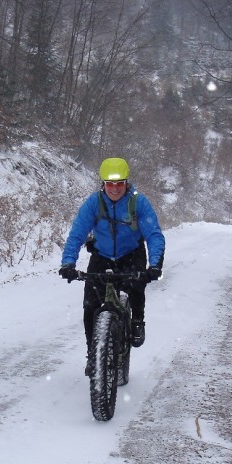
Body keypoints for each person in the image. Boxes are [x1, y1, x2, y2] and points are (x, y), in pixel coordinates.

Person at [59, 157, 165, 373]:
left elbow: (154, 235)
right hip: (102, 255)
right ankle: (93, 354)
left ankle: (137, 321)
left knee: (136, 287)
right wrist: (68, 262)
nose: (114, 189)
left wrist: (154, 265)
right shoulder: (94, 203)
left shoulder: (138, 203)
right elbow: (77, 234)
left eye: (119, 184)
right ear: (103, 184)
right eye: (110, 184)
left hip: (131, 254)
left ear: (126, 183)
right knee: (90, 305)